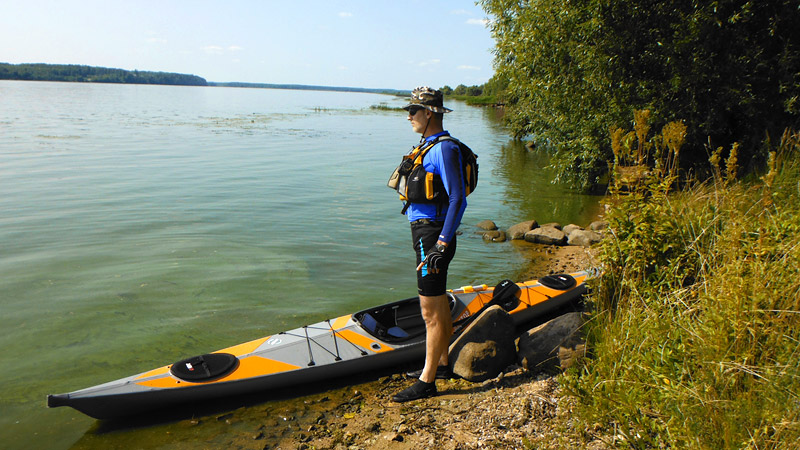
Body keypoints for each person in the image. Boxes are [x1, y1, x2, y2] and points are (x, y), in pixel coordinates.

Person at [391, 87, 468, 403]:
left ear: (430, 113)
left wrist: (441, 243)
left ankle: (427, 381)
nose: (408, 115)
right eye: (409, 110)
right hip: (427, 234)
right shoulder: (428, 145)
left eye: (413, 110)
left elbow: (457, 198)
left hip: (433, 236)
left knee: (428, 311)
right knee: (436, 306)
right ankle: (443, 363)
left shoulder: (444, 149)